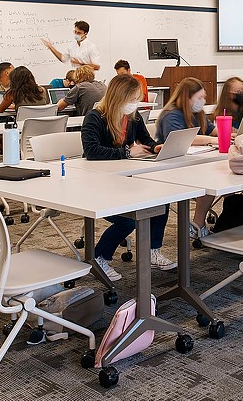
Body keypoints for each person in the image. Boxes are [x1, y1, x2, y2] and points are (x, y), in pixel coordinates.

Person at [80, 73, 175, 278]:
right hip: (98, 186)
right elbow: (92, 151)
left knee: (163, 200)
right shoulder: (95, 117)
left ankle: (152, 251)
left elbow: (145, 139)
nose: (135, 104)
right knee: (128, 220)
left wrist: (155, 147)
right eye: (132, 100)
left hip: (125, 181)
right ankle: (99, 258)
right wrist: (126, 153)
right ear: (118, 97)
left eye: (136, 99)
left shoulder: (133, 117)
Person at [156, 78, 221, 239]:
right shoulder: (171, 115)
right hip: (171, 167)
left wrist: (229, 133)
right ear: (187, 97)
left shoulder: (197, 113)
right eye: (199, 98)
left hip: (193, 163)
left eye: (203, 97)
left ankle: (199, 224)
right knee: (210, 179)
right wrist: (211, 140)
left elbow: (211, 130)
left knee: (218, 176)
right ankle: (197, 224)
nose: (203, 101)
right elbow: (183, 138)